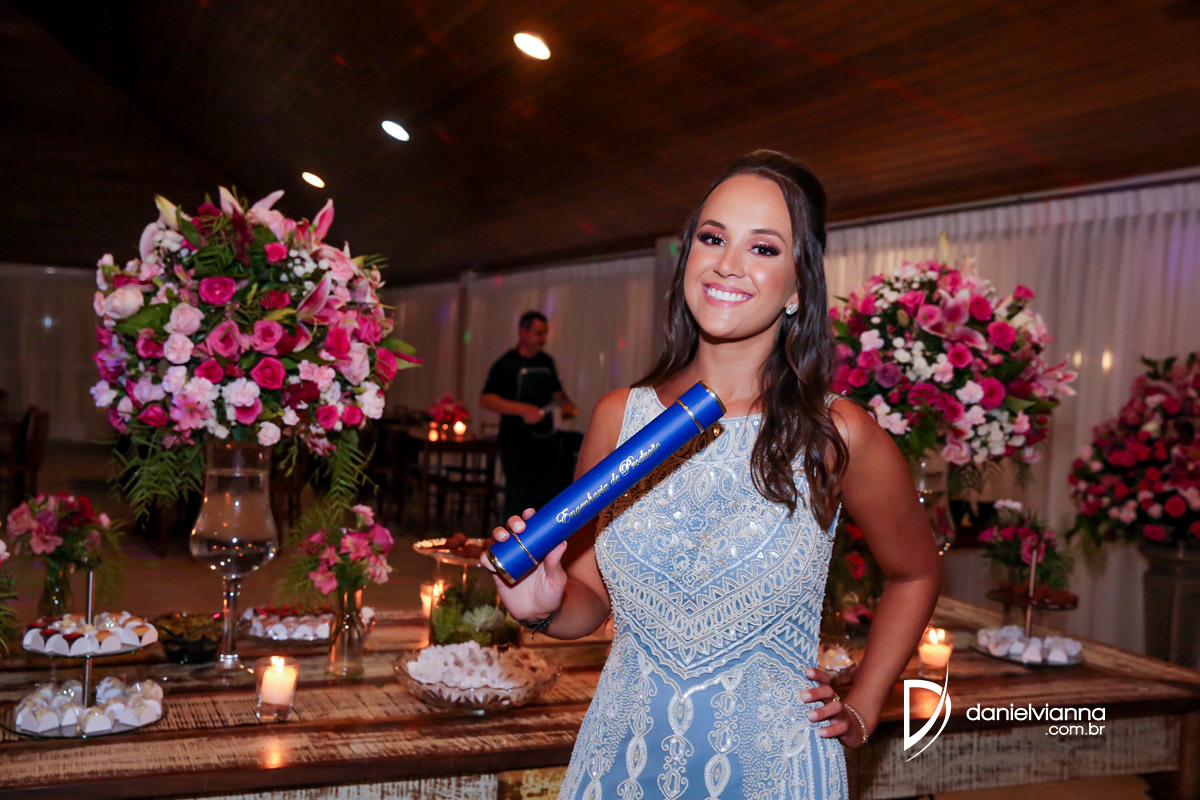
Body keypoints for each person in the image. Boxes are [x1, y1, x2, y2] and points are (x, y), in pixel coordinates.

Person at [484, 151, 941, 799]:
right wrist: (543, 607)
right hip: (621, 766)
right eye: (712, 237)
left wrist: (865, 707)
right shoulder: (621, 418)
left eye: (763, 247)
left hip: (776, 773)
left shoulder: (837, 433)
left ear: (799, 287)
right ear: (687, 260)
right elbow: (589, 597)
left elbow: (916, 571)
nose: (728, 263)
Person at [480, 311, 580, 519]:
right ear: (523, 332)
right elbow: (486, 399)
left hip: (545, 440)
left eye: (545, 333)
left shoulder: (547, 361)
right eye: (539, 333)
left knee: (545, 496)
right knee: (518, 498)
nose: (543, 339)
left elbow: (556, 392)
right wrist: (523, 409)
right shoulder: (506, 364)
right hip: (516, 442)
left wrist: (566, 403)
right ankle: (513, 536)